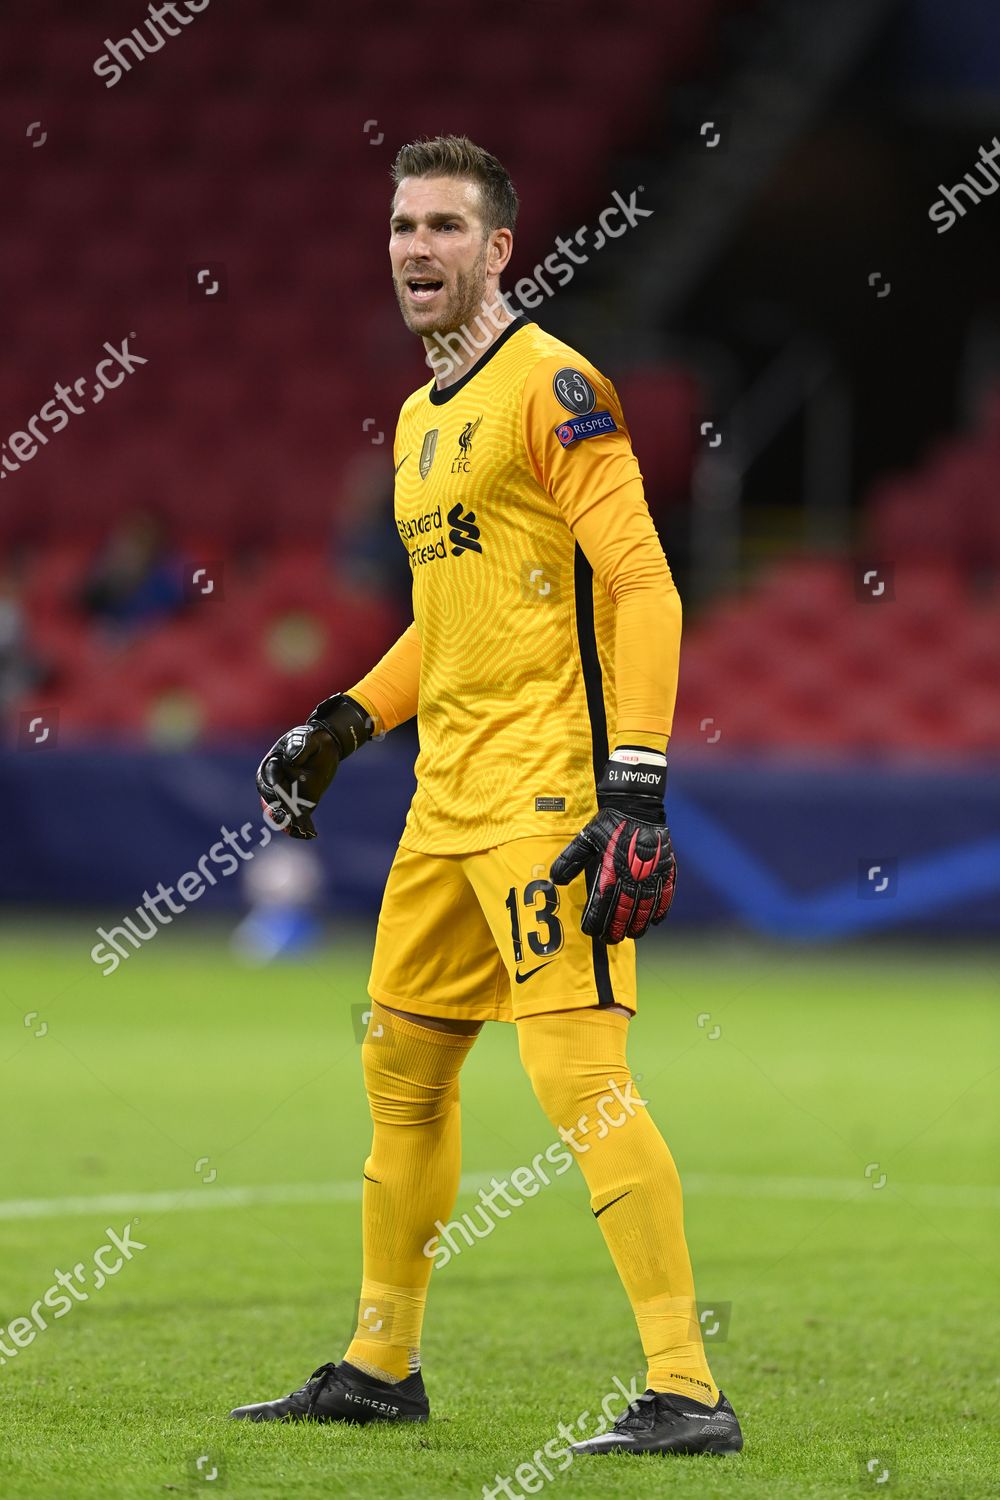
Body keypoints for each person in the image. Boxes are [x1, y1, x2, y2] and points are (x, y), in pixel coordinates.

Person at [235, 135, 742, 1459]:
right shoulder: (415, 424)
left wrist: (634, 785)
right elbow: (444, 626)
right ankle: (379, 1364)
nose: (418, 248)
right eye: (404, 225)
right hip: (442, 802)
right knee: (402, 1074)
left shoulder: (554, 387)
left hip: (548, 799)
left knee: (581, 1079)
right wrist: (346, 722)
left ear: (500, 248)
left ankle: (687, 1389)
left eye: (447, 227)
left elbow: (643, 583)